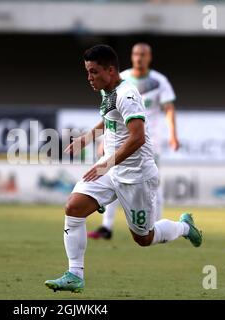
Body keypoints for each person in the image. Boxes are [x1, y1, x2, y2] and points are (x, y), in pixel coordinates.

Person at [44, 45, 202, 293]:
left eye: (94, 72)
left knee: (144, 238)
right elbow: (109, 117)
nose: (89, 78)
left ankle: (184, 227)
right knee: (73, 207)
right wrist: (87, 138)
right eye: (87, 72)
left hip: (136, 175)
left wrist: (107, 162)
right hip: (110, 169)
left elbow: (137, 137)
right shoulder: (108, 90)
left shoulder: (127, 94)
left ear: (110, 70)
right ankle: (75, 274)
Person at [88, 42, 180, 240]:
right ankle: (107, 226)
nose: (139, 58)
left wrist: (173, 134)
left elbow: (169, 109)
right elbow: (111, 116)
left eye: (143, 54)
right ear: (131, 56)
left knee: (152, 186)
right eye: (136, 54)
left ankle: (156, 225)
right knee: (112, 177)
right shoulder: (119, 78)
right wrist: (103, 140)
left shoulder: (158, 81)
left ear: (149, 57)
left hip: (149, 142)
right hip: (120, 141)